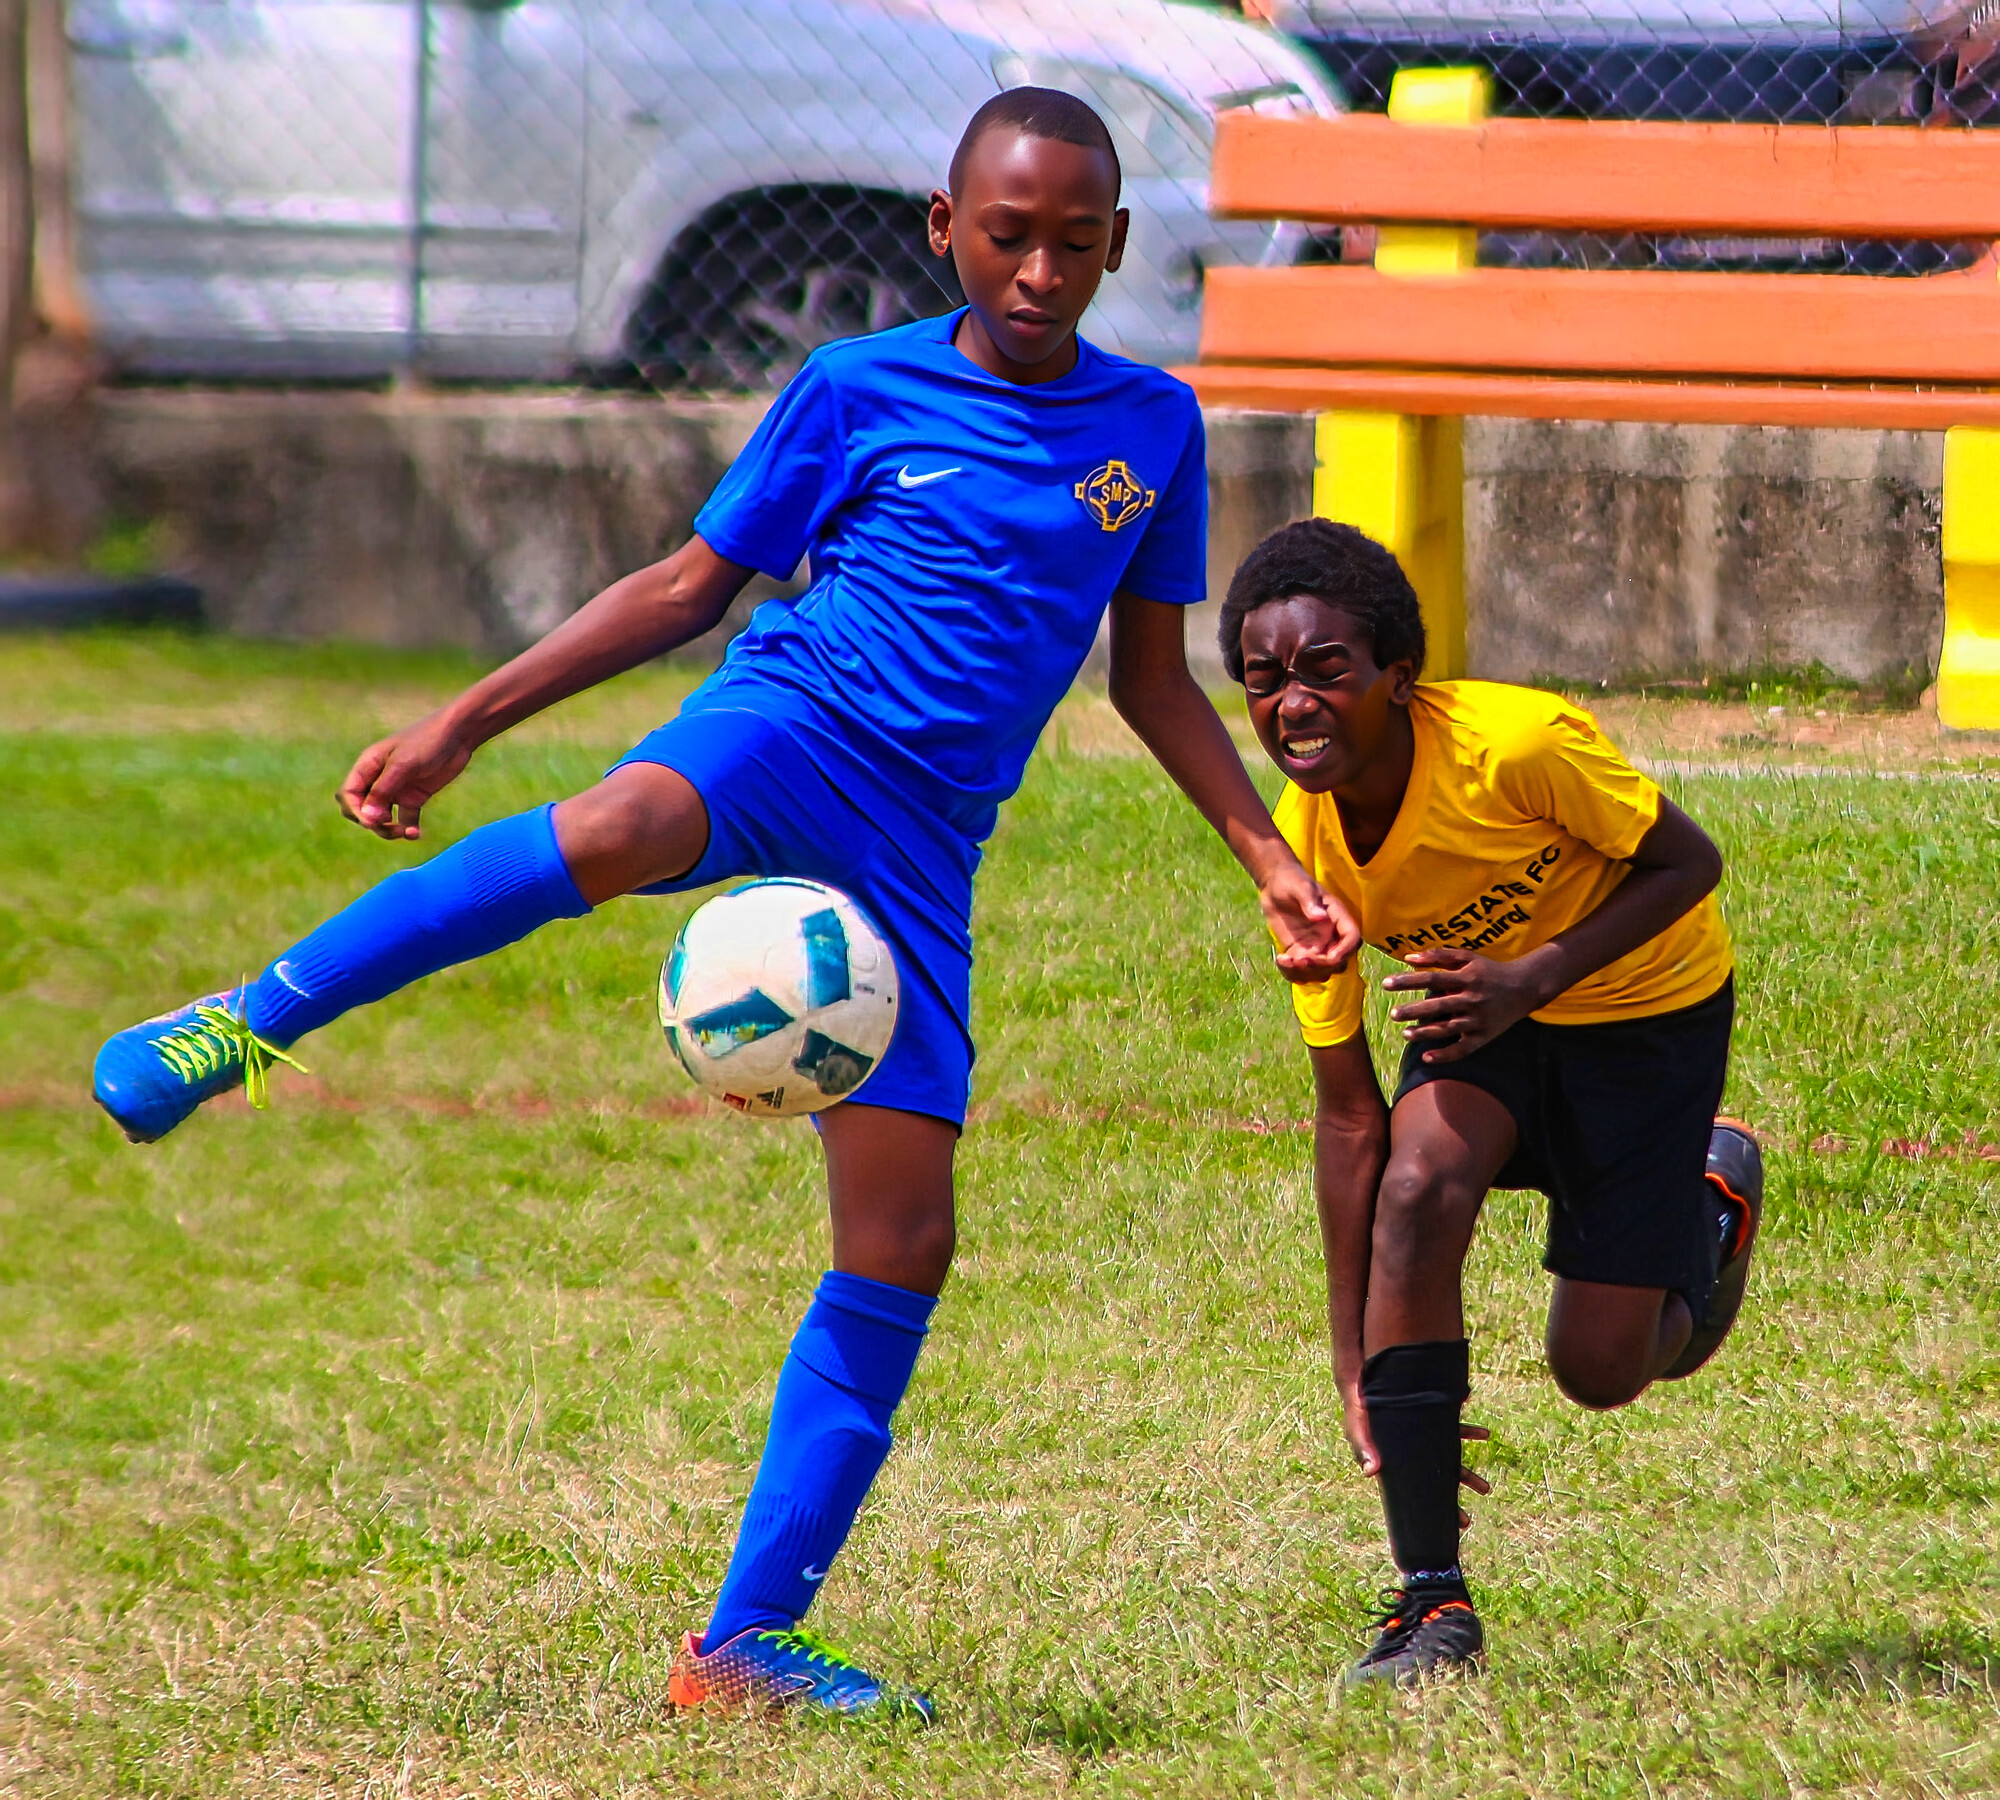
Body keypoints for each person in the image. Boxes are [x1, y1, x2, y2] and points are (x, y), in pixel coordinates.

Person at [91, 91, 1357, 1720]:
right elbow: (689, 587)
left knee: (904, 1235)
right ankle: (239, 1023)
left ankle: (744, 1641)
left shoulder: (1152, 428)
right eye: (1009, 235)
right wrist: (465, 721)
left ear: (1117, 243)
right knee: (618, 822)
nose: (1041, 270)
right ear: (944, 233)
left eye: (1076, 241)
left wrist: (1270, 857)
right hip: (789, 726)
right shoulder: (854, 387)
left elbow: (1154, 679)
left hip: (920, 851)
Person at [1221, 518, 1762, 1687]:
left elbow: (1688, 865)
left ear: (1398, 679)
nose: (1293, 705)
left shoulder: (1515, 746)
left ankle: (1707, 1202)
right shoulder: (1302, 851)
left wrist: (1530, 976)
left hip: (1638, 1007)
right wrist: (1348, 1356)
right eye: (1262, 680)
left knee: (1602, 1371)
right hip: (1482, 1021)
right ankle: (1430, 1607)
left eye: (1326, 670)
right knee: (1415, 1189)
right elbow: (1350, 1120)